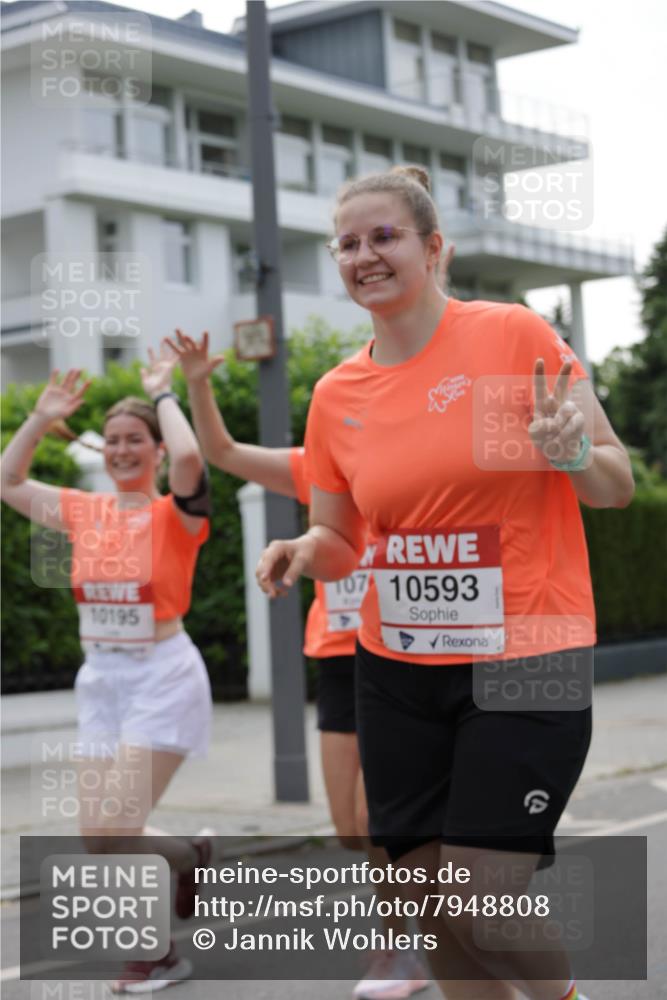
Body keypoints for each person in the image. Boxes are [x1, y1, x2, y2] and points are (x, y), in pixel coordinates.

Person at [256, 165, 634, 1000]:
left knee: (484, 894)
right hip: (396, 665)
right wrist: (299, 549)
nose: (364, 256)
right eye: (347, 244)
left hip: (526, 653)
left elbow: (614, 483)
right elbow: (340, 538)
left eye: (384, 236)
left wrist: (569, 451)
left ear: (432, 248)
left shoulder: (511, 336)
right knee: (417, 893)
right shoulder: (335, 394)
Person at [167, 328, 430, 1000]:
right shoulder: (314, 463)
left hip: (398, 652)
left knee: (379, 819)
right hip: (337, 658)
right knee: (348, 829)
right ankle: (432, 905)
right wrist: (196, 379)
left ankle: (398, 947)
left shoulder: (414, 464)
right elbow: (221, 452)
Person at [0, 346, 215, 994]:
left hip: (163, 677)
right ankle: (191, 857)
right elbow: (8, 482)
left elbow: (189, 460)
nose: (122, 451)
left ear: (152, 449)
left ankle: (156, 956)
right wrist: (38, 419)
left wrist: (163, 393)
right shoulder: (84, 512)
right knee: (100, 838)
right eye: (114, 441)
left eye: (135, 441)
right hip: (101, 681)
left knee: (116, 830)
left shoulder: (174, 515)